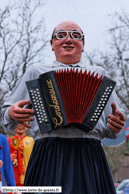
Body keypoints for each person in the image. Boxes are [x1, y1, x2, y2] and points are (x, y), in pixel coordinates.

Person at [0, 20, 125, 194]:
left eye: (75, 35)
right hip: (48, 152)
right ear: (52, 44)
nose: (68, 39)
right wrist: (10, 114)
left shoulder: (99, 74)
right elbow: (6, 116)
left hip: (89, 154)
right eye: (60, 35)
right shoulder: (36, 72)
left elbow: (114, 128)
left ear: (83, 44)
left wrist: (117, 127)